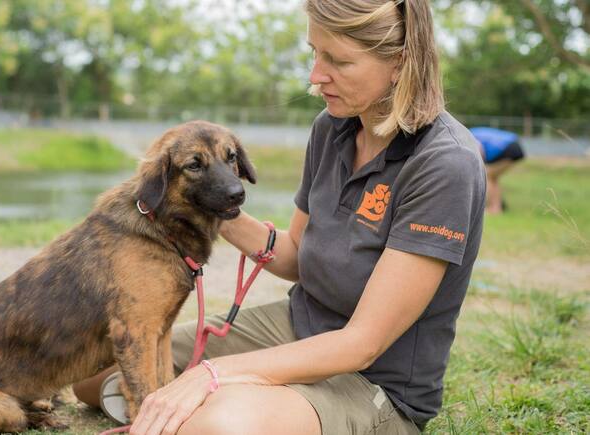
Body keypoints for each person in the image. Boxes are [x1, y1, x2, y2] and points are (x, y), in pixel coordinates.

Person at [73, 1, 486, 434]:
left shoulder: (445, 164)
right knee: (94, 368)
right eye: (315, 52)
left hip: (371, 379)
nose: (315, 75)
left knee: (220, 423)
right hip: (296, 326)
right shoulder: (333, 127)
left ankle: (199, 416)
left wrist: (211, 376)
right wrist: (205, 201)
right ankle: (181, 416)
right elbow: (293, 258)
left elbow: (362, 345)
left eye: (339, 61)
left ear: (400, 63)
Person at [470, 126, 526, 214]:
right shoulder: (474, 131)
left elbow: (479, 152)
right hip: (514, 145)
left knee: (488, 176)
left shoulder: (468, 135)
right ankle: (497, 207)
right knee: (493, 178)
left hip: (509, 148)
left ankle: (494, 208)